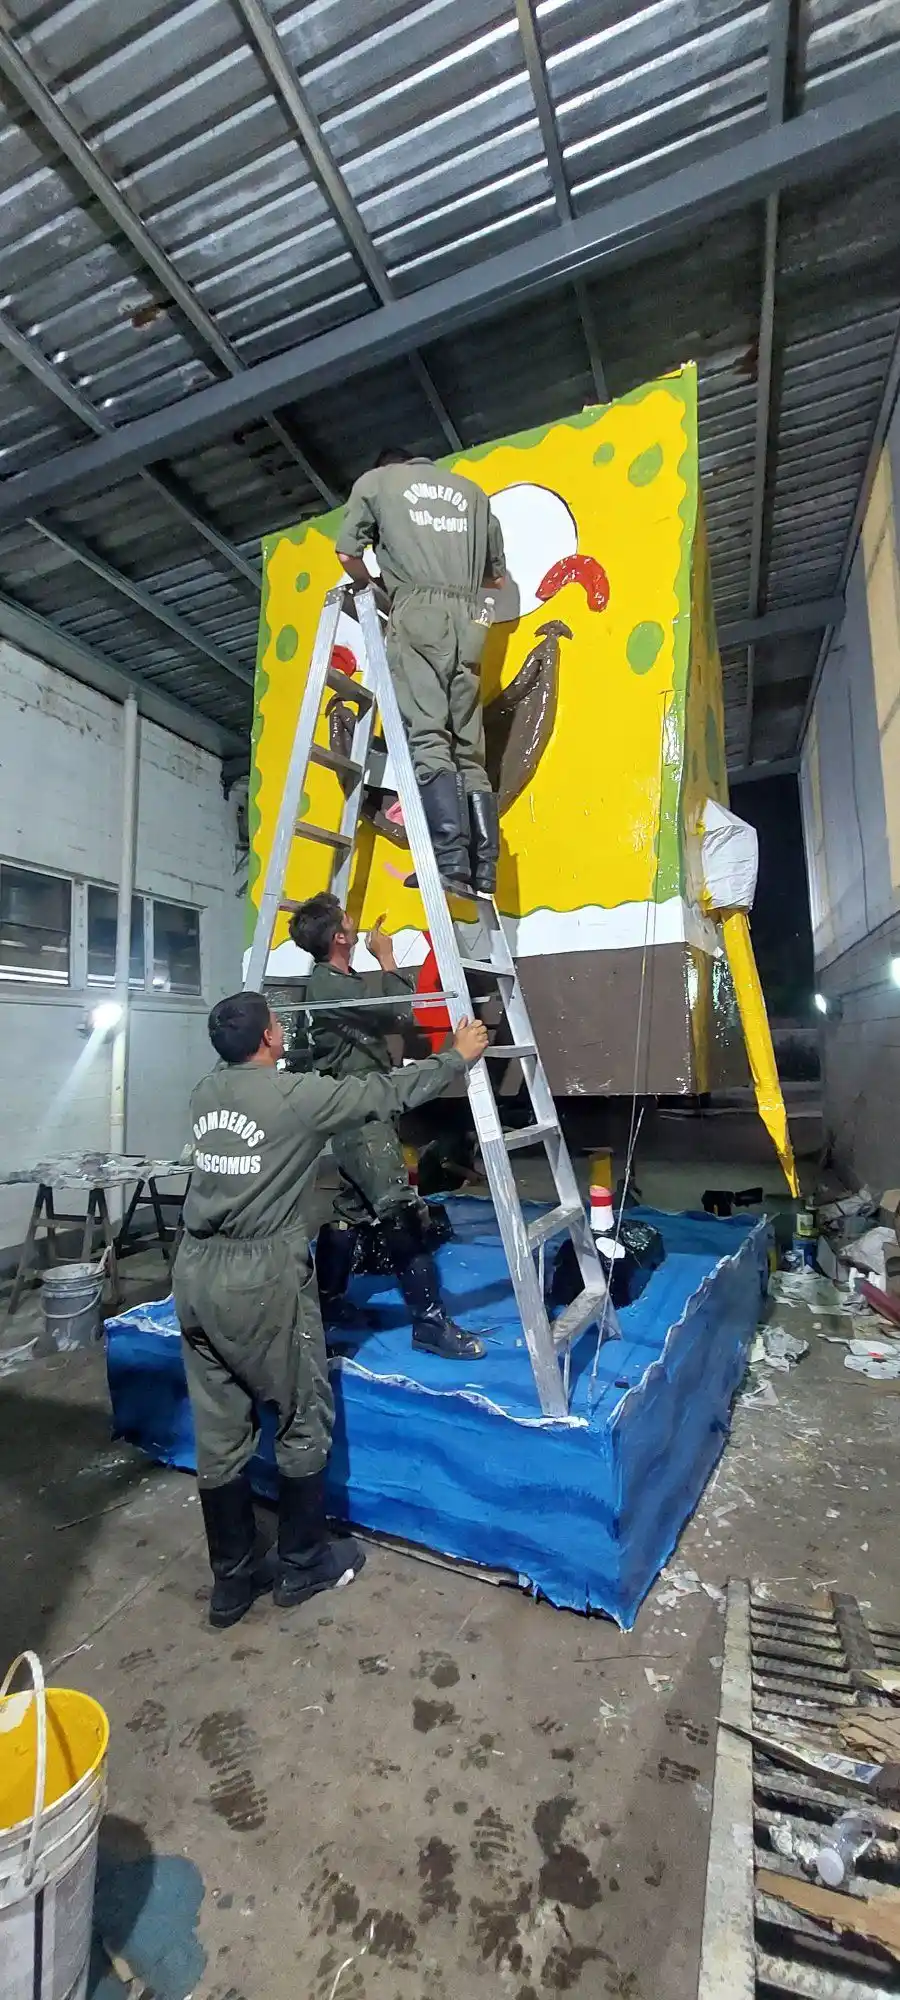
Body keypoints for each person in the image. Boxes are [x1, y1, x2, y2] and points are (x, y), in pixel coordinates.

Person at [173, 988, 488, 1630]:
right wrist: (456, 1056)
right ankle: (302, 1562)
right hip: (259, 1279)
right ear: (268, 1040)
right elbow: (386, 1094)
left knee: (221, 1428)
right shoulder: (296, 1098)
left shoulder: (206, 1092)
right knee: (301, 1415)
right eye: (276, 1025)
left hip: (194, 1272)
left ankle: (231, 1585)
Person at [289, 890, 487, 1364]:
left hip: (357, 1110)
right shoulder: (334, 988)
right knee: (398, 1210)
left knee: (352, 1209)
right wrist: (389, 956)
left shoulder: (339, 980)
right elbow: (400, 1011)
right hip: (360, 1114)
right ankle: (429, 1323)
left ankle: (329, 1302)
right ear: (340, 936)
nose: (355, 923)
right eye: (348, 921)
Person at [335, 446, 507, 898]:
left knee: (430, 737)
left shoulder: (376, 483)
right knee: (469, 749)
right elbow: (497, 581)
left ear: (385, 463)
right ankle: (485, 867)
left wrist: (375, 589)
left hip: (418, 611)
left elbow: (346, 553)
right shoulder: (474, 494)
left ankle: (451, 861)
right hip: (472, 621)